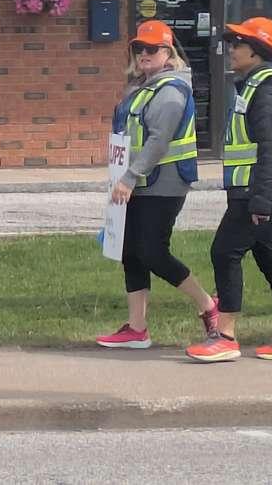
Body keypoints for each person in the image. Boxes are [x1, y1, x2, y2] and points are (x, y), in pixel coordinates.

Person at [186, 17, 272, 363]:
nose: (231, 50)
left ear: (256, 51)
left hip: (261, 189)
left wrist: (260, 200)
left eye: (238, 44)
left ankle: (225, 336)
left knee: (225, 252)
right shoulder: (258, 83)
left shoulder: (265, 88)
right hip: (268, 187)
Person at [96, 20, 218, 349]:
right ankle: (137, 329)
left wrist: (129, 177)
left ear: (168, 52)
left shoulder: (171, 91)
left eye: (152, 48)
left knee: (152, 252)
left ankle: (208, 305)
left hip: (163, 184)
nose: (144, 54)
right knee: (130, 251)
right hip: (139, 183)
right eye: (139, 48)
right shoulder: (143, 87)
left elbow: (159, 141)